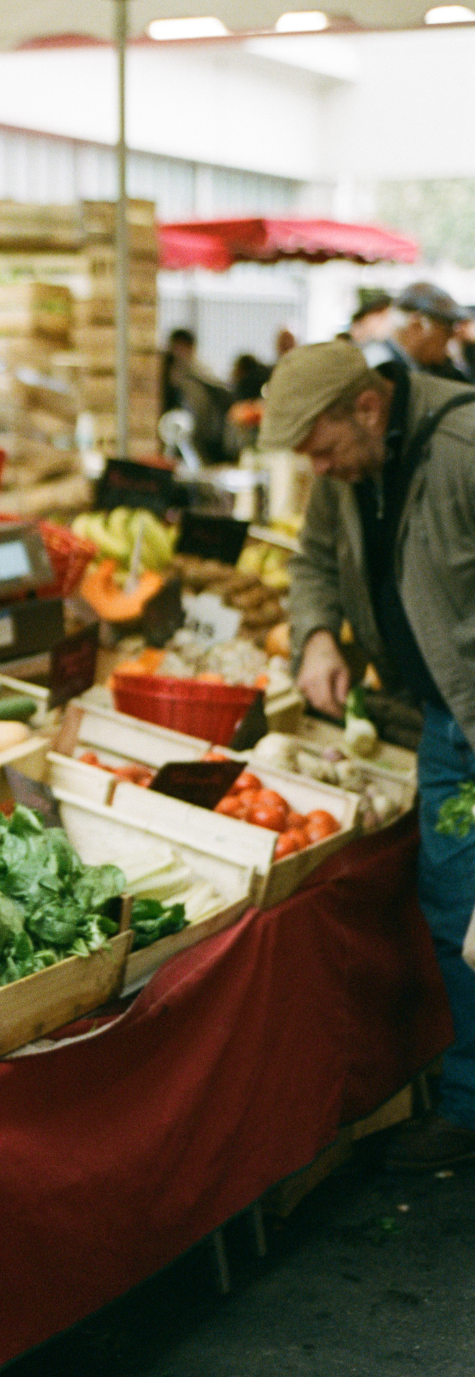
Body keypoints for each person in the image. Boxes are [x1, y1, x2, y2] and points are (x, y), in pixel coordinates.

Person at [259, 338, 475, 1170]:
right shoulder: (346, 471)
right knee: (456, 905)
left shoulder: (461, 450)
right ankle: (468, 1106)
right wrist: (315, 636)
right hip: (440, 724)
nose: (319, 470)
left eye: (322, 449)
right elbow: (311, 560)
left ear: (370, 408)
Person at [364, 281, 472, 385]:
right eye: (446, 331)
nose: (451, 339)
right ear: (417, 326)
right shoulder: (381, 369)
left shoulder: (420, 365)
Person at [159, 328, 231, 463]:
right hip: (177, 431)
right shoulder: (166, 371)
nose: (178, 352)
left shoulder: (200, 372)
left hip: (203, 434)